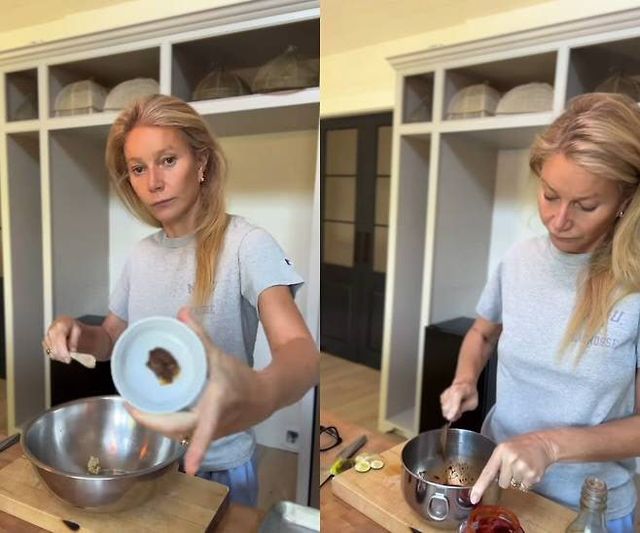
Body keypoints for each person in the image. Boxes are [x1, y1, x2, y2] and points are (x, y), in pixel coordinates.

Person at [42, 94, 320, 507]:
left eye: (168, 160)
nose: (153, 182)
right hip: (143, 459)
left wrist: (262, 392)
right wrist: (77, 333)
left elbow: (302, 353)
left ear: (201, 162)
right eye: (138, 168)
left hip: (218, 467)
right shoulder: (142, 254)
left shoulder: (246, 245)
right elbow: (112, 338)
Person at [440, 92, 640, 532]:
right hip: (499, 487)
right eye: (550, 195)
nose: (558, 220)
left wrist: (549, 446)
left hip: (587, 509)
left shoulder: (634, 288)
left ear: (625, 200)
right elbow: (482, 332)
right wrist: (465, 380)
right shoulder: (518, 260)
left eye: (586, 206)